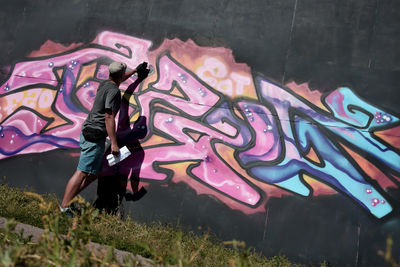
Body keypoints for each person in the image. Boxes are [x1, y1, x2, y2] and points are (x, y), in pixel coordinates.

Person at [60, 61, 146, 215]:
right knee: (82, 172)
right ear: (120, 75)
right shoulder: (114, 92)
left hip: (89, 130)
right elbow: (109, 116)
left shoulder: (105, 84)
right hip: (95, 134)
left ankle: (69, 201)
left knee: (94, 173)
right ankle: (64, 207)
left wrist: (135, 72)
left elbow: (119, 78)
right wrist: (114, 143)